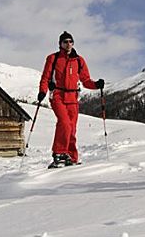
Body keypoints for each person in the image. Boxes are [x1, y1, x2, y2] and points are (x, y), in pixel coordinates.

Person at [38, 31, 105, 168]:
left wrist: (96, 85)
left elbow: (85, 80)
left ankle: (71, 156)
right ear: (60, 44)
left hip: (73, 97)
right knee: (64, 123)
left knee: (72, 128)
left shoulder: (79, 60)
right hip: (57, 95)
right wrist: (42, 91)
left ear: (73, 43)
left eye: (70, 41)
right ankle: (59, 153)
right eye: (65, 42)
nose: (68, 44)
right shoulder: (53, 58)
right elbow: (45, 78)